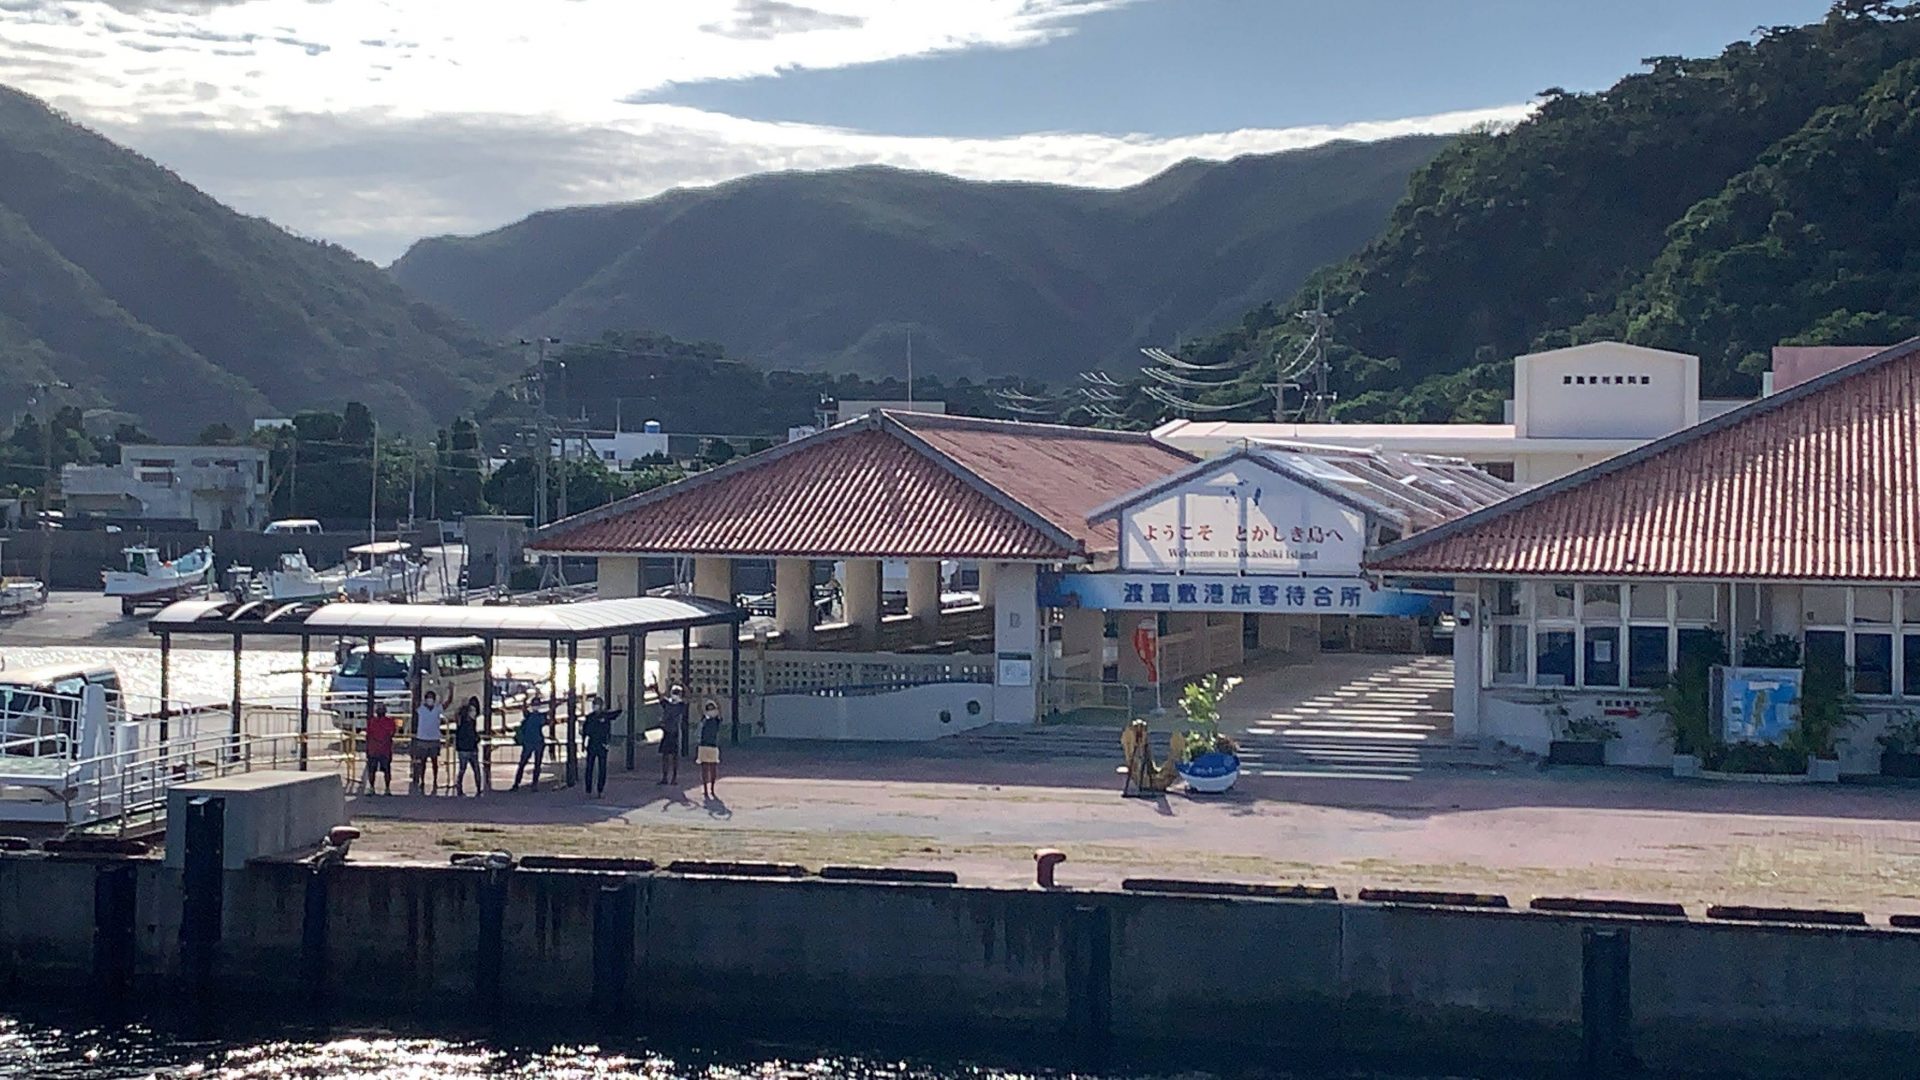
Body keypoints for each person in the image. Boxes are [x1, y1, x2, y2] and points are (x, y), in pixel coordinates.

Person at [511, 691, 547, 791]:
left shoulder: (530, 716)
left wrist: (525, 700)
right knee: (534, 764)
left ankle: (518, 784)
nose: (535, 707)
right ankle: (531, 784)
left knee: (525, 763)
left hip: (530, 742)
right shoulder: (539, 716)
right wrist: (524, 700)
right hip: (536, 742)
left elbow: (524, 710)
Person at [411, 690, 444, 795]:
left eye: (431, 697)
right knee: (423, 762)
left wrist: (451, 691)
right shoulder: (421, 709)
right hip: (422, 739)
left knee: (435, 762)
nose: (430, 699)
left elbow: (447, 703)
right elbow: (415, 702)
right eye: (428, 697)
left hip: (434, 739)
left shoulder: (437, 709)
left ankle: (435, 780)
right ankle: (422, 780)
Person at [363, 702, 397, 796]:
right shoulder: (373, 721)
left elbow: (392, 733)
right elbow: (368, 735)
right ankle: (373, 787)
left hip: (382, 750)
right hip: (376, 749)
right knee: (373, 770)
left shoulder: (388, 722)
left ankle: (386, 788)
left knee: (385, 769)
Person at [582, 694, 612, 798]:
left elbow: (616, 714)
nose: (595, 707)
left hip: (602, 744)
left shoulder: (605, 716)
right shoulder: (590, 717)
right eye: (594, 704)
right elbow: (585, 731)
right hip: (592, 743)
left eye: (597, 705)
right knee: (589, 767)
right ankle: (588, 789)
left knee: (602, 768)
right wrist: (583, 743)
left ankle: (600, 789)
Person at [658, 685, 687, 785]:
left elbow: (688, 698)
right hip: (666, 731)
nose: (675, 694)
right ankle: (665, 777)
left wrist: (684, 686)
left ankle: (674, 777)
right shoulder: (667, 703)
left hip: (674, 732)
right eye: (674, 692)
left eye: (677, 692)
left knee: (674, 756)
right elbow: (660, 697)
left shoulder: (680, 705)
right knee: (665, 756)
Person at [453, 697, 483, 796]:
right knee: (475, 769)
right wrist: (477, 739)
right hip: (470, 748)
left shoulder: (461, 721)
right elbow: (472, 735)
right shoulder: (469, 723)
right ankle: (478, 788)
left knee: (463, 769)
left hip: (463, 748)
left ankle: (459, 787)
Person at [696, 698, 723, 800]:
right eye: (709, 708)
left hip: (713, 746)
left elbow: (720, 708)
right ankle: (706, 789)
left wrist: (715, 696)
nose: (710, 710)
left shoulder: (717, 720)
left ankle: (711, 788)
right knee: (704, 769)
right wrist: (701, 696)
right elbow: (699, 708)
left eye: (712, 708)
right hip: (703, 745)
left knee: (712, 768)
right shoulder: (704, 719)